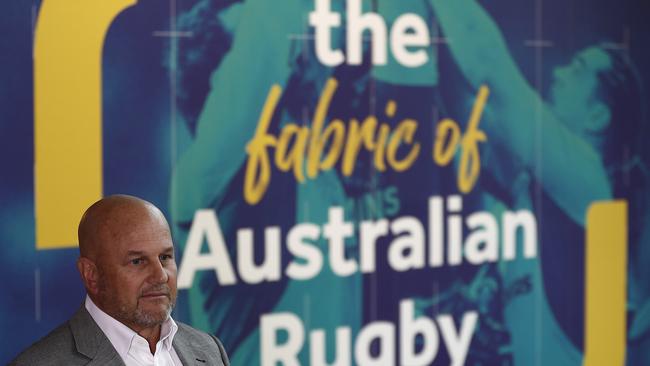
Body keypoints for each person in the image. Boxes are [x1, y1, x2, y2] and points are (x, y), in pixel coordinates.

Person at [429, 0, 647, 364]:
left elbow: (489, 69)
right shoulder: (543, 194)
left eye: (577, 69)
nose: (559, 72)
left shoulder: (588, 181)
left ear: (596, 117)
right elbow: (468, 110)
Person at [10, 195, 230, 366]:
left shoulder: (208, 349)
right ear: (91, 275)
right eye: (137, 261)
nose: (160, 275)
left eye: (164, 257)